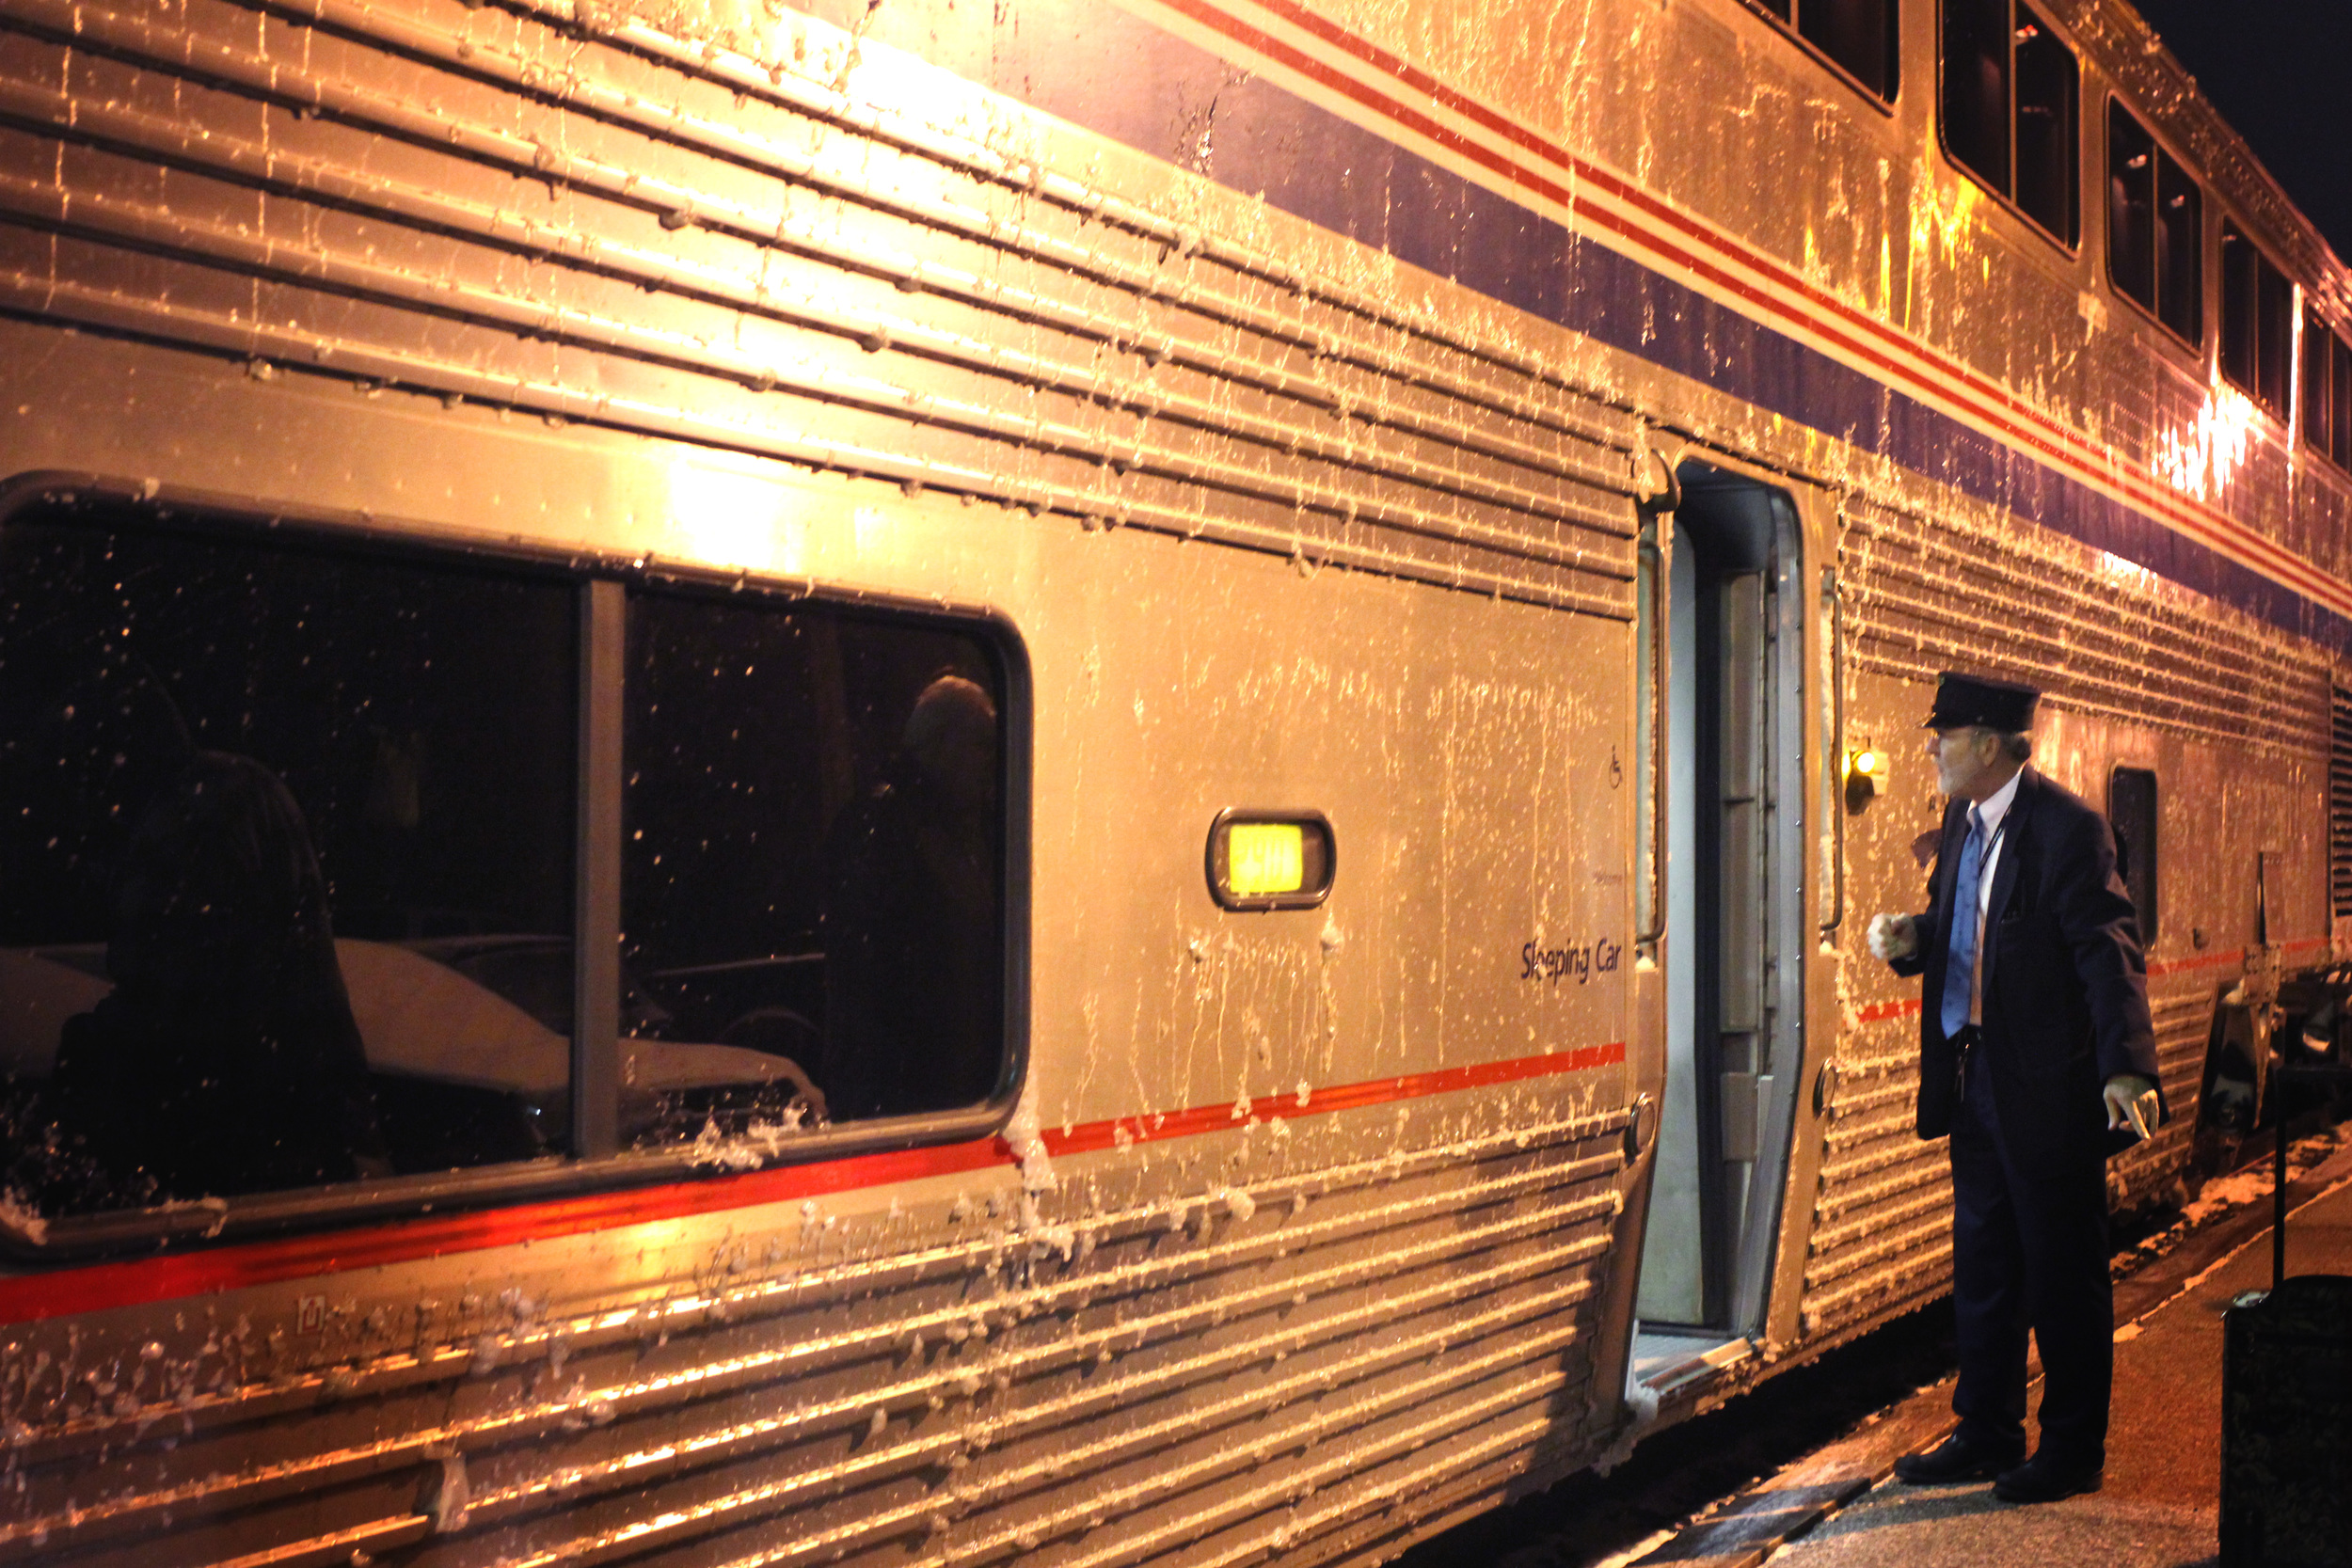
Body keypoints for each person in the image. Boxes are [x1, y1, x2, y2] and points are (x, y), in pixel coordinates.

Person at [1866, 672, 2162, 1504]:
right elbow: (1970, 930)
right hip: (1974, 1074)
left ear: (1989, 744)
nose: (1932, 746)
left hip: (2049, 1087)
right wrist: (1913, 938)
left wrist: (2125, 1065)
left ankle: (2073, 1446)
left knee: (2063, 1269)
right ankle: (1988, 1427)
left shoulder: (2069, 829)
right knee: (1986, 1262)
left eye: (1945, 733)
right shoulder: (1965, 820)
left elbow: (2108, 950)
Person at [820, 673, 1003, 1120]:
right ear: (939, 747)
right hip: (908, 1088)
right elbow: (882, 976)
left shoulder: (960, 827)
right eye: (979, 744)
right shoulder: (886, 829)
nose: (989, 761)